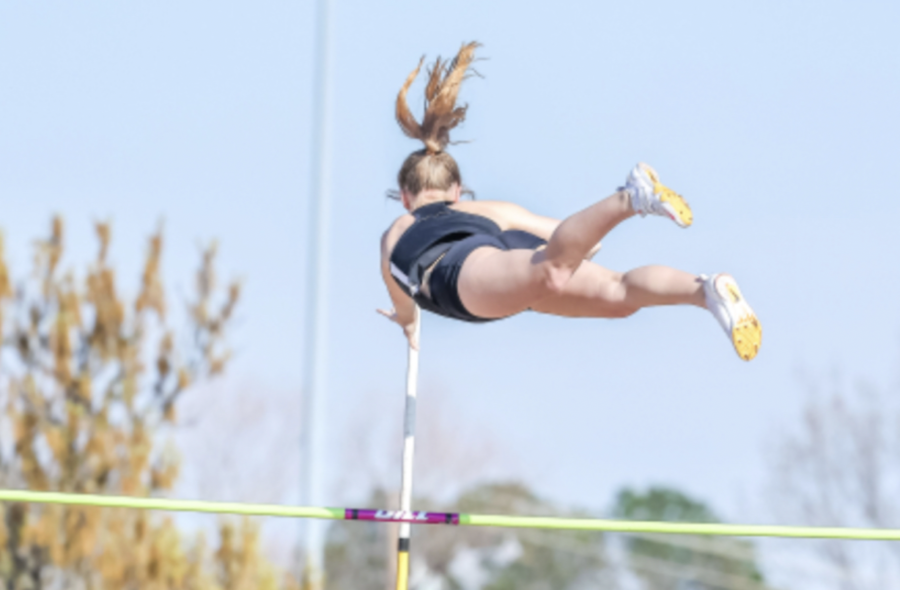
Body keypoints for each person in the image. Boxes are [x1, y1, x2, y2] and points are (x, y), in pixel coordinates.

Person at [378, 42, 761, 361]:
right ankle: (704, 290)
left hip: (456, 271)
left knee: (553, 272)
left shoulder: (399, 228)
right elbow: (587, 245)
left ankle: (632, 197)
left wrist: (408, 323)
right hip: (500, 249)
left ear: (406, 196)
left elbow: (401, 291)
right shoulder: (489, 210)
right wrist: (559, 256)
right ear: (457, 191)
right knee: (618, 295)